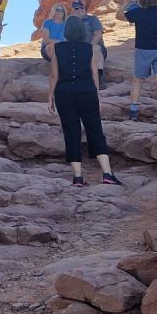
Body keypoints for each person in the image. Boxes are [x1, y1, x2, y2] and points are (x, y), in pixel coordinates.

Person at [48, 16, 120, 186]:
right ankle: (107, 173)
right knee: (95, 129)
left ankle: (78, 177)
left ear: (66, 32)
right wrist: (97, 96)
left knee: (71, 132)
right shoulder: (91, 49)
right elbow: (95, 75)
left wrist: (50, 96)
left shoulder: (56, 48)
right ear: (82, 32)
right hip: (87, 91)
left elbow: (54, 75)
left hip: (64, 93)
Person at [118, 0, 157, 124]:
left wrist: (126, 1)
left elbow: (119, 16)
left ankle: (134, 112)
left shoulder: (137, 12)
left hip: (144, 50)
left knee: (138, 80)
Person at [69, 0, 108, 92]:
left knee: (95, 48)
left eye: (81, 7)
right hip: (78, 51)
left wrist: (88, 47)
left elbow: (98, 34)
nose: (79, 10)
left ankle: (99, 76)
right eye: (76, 8)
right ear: (72, 10)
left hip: (93, 48)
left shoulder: (92, 19)